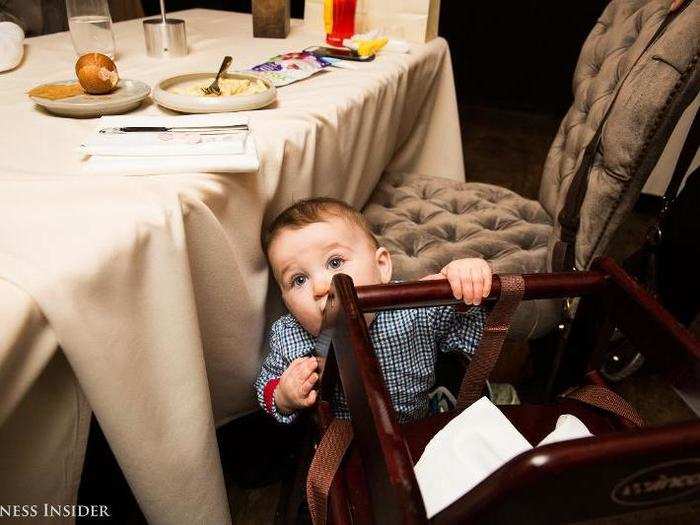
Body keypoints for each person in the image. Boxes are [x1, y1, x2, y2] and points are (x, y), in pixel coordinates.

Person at [255, 197, 492, 424]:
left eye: (335, 262)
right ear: (286, 301)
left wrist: (465, 286)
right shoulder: (289, 334)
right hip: (350, 438)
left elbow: (473, 341)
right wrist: (283, 396)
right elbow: (267, 383)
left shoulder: (413, 303)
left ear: (381, 267)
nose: (321, 287)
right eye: (298, 280)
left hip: (422, 423)